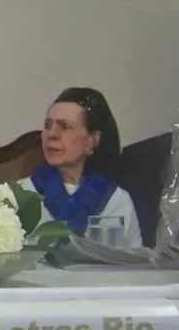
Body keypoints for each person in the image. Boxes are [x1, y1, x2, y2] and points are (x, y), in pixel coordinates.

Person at [20, 87, 142, 248]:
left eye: (65, 126)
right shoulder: (21, 194)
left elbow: (134, 265)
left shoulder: (117, 201)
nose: (52, 134)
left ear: (92, 141)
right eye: (48, 125)